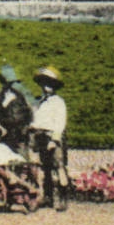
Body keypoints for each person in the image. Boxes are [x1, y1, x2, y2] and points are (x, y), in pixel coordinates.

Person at [29, 65, 70, 211]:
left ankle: (63, 198)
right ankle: (48, 197)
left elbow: (60, 123)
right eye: (43, 83)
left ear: (54, 85)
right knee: (45, 168)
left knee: (58, 167)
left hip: (52, 137)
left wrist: (54, 140)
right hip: (40, 136)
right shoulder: (39, 102)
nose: (45, 86)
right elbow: (37, 119)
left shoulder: (58, 102)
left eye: (48, 83)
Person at [0, 62, 36, 156]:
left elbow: (30, 114)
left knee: (21, 163)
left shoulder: (21, 96)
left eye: (9, 82)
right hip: (3, 135)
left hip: (19, 136)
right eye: (4, 81)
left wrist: (25, 130)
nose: (7, 84)